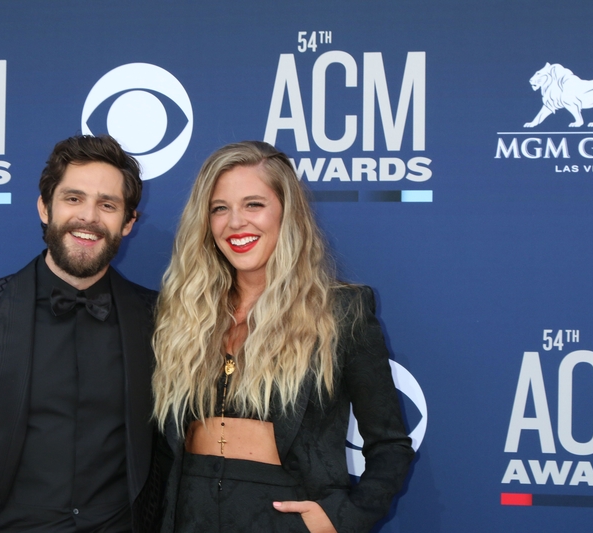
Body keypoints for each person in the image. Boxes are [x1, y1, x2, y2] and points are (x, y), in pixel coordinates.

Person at [0, 135, 164, 532]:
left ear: (128, 223)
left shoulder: (162, 318)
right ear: (45, 207)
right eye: (73, 199)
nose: (88, 217)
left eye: (107, 205)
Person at [152, 141, 414, 532]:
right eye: (219, 208)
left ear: (286, 212)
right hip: (190, 512)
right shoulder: (184, 313)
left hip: (283, 515)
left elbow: (390, 445)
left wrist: (343, 519)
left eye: (253, 204)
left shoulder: (341, 313)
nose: (235, 222)